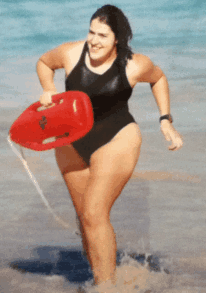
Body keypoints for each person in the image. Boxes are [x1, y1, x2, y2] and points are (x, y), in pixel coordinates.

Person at [36, 4, 183, 286]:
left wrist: (165, 119)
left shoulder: (134, 64)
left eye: (102, 35)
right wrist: (49, 88)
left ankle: (106, 289)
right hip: (70, 141)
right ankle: (102, 279)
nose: (93, 40)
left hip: (117, 137)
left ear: (117, 38)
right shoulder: (71, 52)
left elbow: (159, 78)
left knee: (94, 213)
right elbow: (44, 62)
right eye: (91, 32)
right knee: (85, 219)